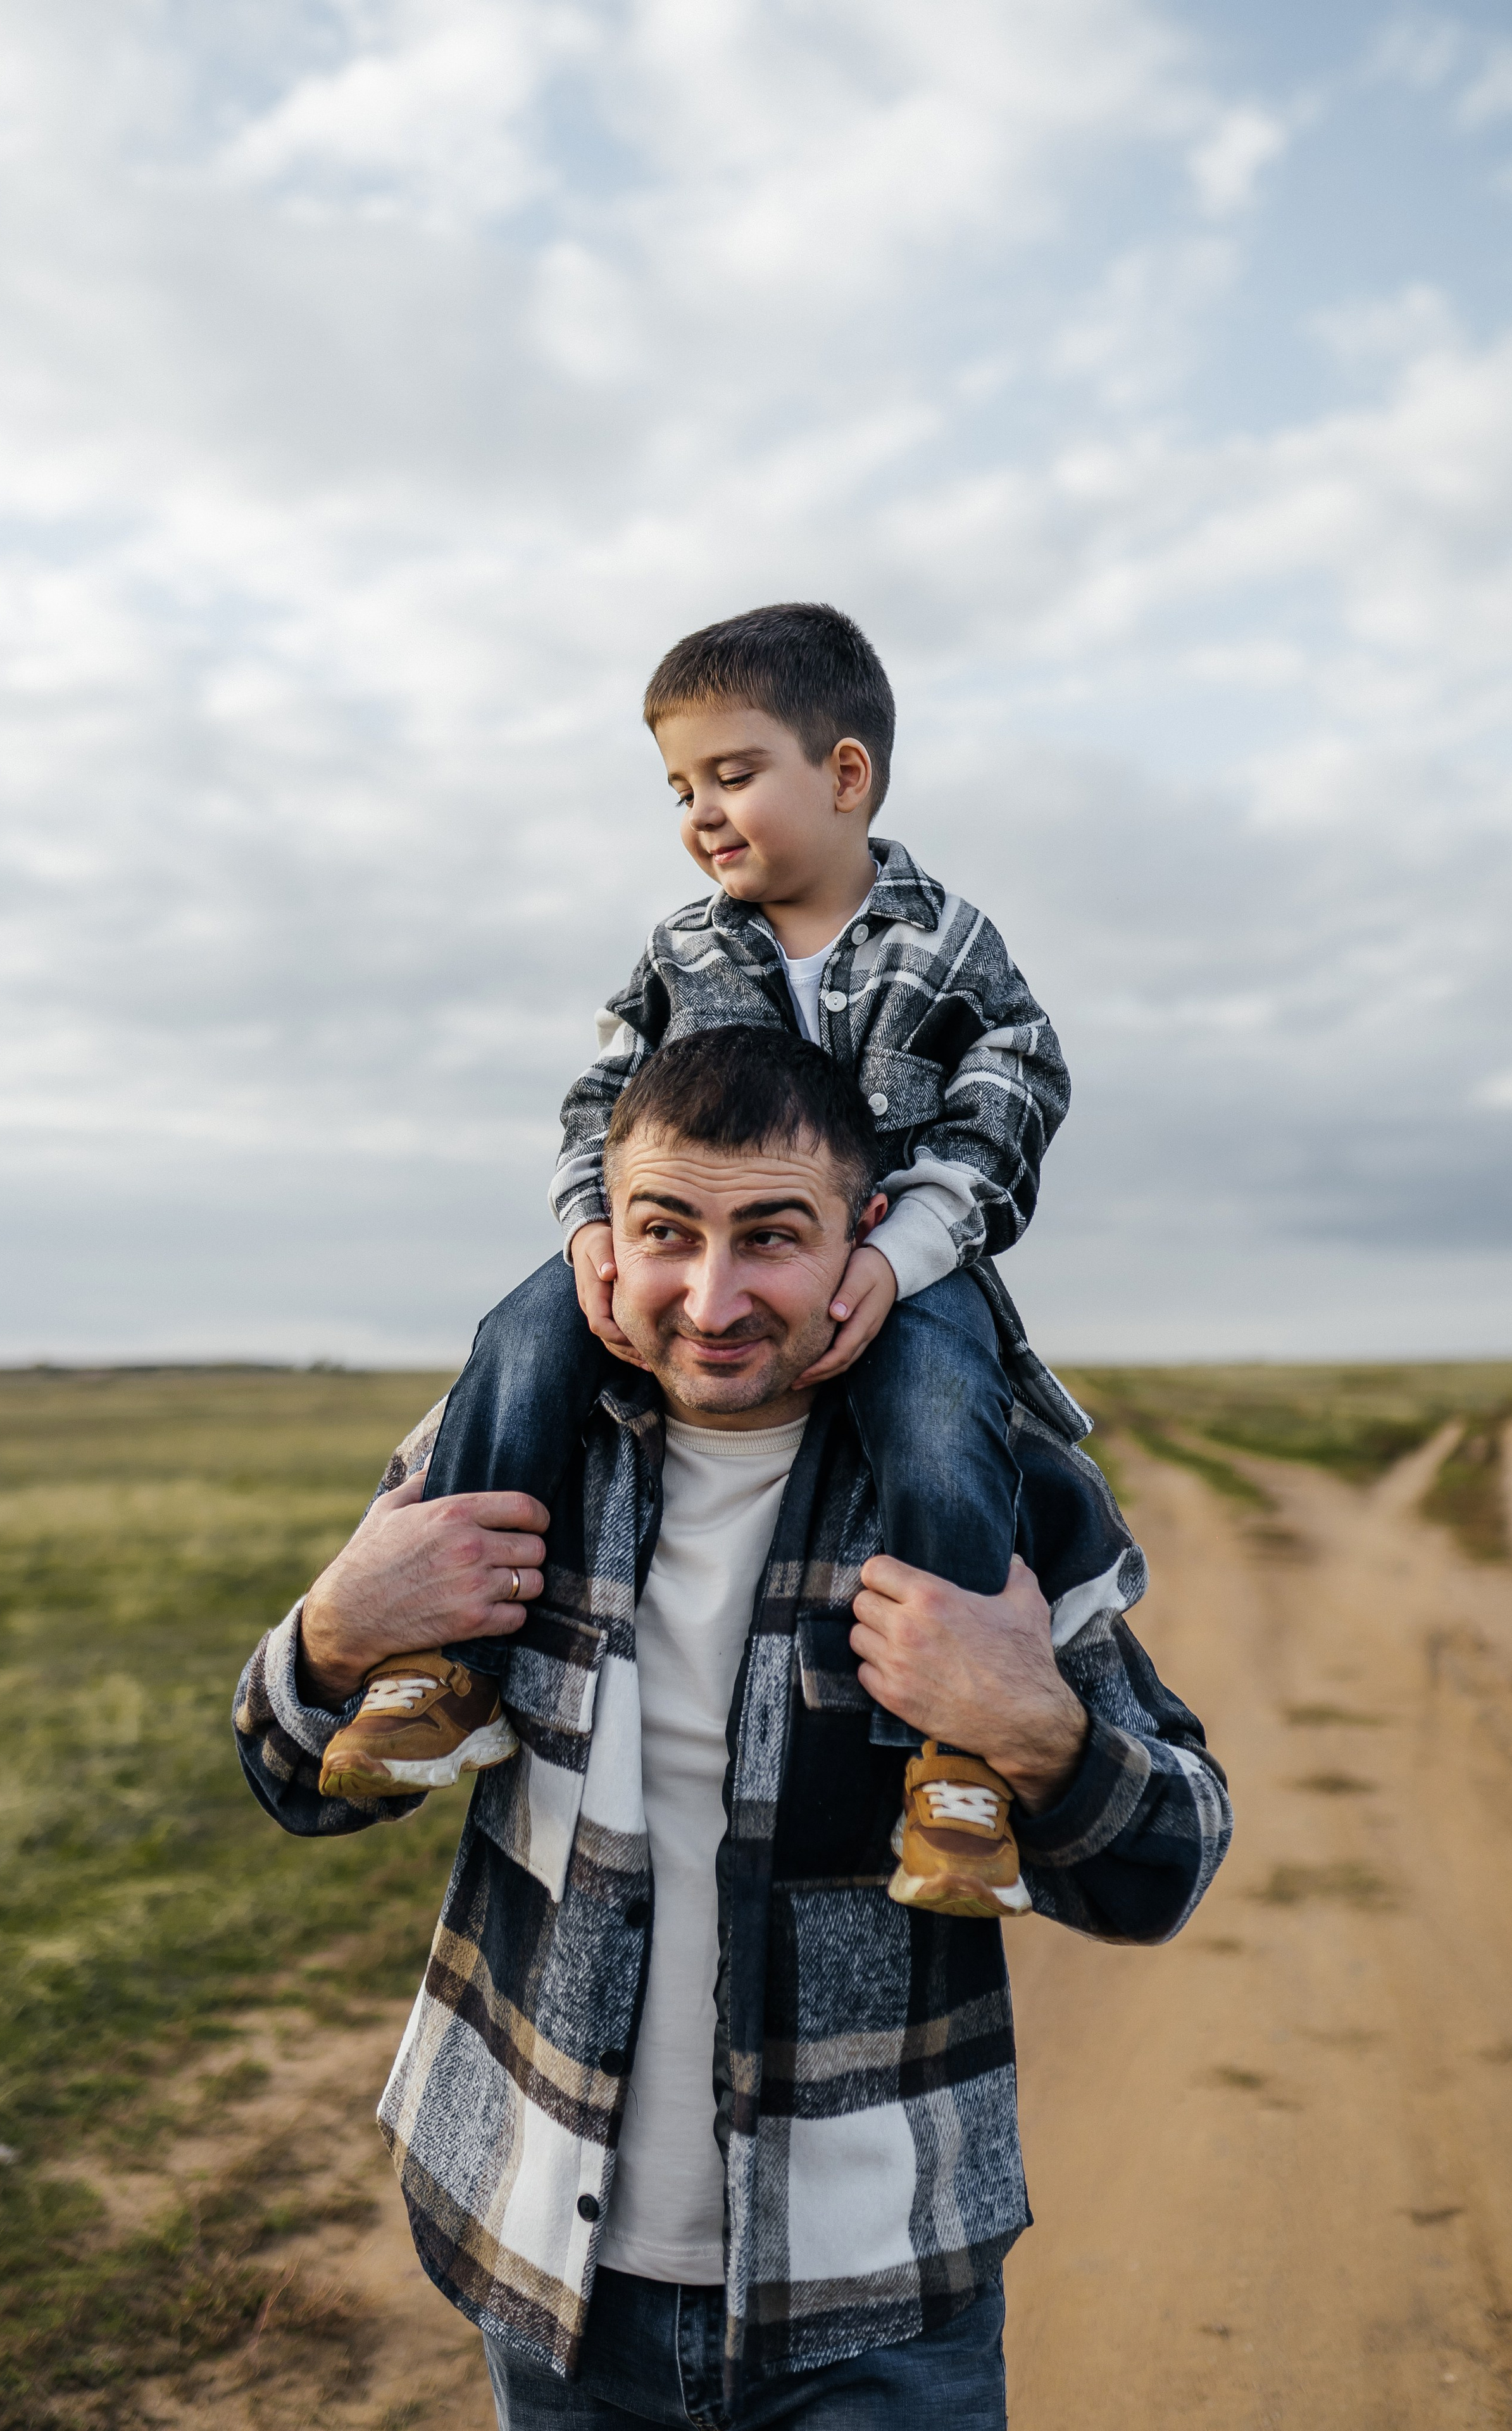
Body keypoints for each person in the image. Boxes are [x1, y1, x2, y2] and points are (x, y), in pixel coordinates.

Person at [234, 1029, 1232, 2429]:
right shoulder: (509, 1447)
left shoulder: (988, 1495)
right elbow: (298, 1784)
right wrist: (335, 1631)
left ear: (863, 1238)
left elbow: (1166, 1868)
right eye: (666, 1232)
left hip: (879, 2307)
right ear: (603, 1234)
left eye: (770, 1236)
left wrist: (1032, 1729)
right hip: (546, 2270)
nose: (712, 1300)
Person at [317, 602, 1078, 1918]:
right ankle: (444, 1667)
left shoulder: (949, 945)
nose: (702, 813)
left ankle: (956, 1761)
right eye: (680, 789)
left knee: (940, 1407)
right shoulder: (682, 949)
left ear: (845, 774)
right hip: (666, 1244)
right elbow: (596, 1104)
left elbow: (1011, 1103)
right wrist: (593, 1231)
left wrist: (902, 1256)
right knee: (522, 1333)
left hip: (904, 1265)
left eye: (732, 775)